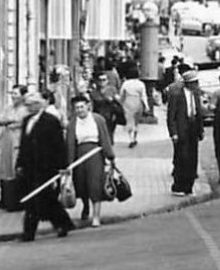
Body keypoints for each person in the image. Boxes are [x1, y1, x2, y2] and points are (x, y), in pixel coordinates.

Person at [15, 90, 74, 241]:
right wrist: (19, 164)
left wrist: (62, 167)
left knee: (46, 199)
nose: (28, 108)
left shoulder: (50, 121)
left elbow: (59, 145)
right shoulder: (27, 120)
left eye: (30, 105)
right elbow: (23, 144)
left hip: (47, 167)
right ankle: (32, 231)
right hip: (30, 167)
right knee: (32, 200)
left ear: (38, 105)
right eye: (27, 105)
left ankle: (61, 224)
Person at [66, 93, 115, 227]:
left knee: (94, 184)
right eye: (77, 108)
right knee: (81, 184)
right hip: (80, 157)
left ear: (88, 107)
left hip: (95, 155)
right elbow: (70, 144)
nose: (80, 110)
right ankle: (85, 205)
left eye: (82, 107)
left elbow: (105, 139)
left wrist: (110, 156)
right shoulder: (72, 123)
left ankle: (96, 217)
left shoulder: (98, 120)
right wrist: (69, 164)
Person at [165, 68, 206, 195]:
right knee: (182, 157)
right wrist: (174, 133)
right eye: (195, 82)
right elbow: (171, 116)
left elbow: (198, 113)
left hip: (192, 128)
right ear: (189, 83)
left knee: (192, 157)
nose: (197, 85)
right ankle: (179, 186)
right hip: (181, 129)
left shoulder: (196, 94)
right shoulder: (177, 95)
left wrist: (201, 130)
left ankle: (189, 186)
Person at [0, 84, 28, 210]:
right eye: (12, 94)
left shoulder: (26, 109)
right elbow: (0, 120)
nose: (13, 97)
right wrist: (11, 121)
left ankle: (15, 202)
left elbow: (23, 122)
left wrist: (10, 122)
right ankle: (3, 199)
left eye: (16, 94)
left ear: (23, 96)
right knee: (3, 170)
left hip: (18, 143)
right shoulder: (8, 108)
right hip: (6, 142)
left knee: (15, 171)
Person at [119, 70, 148, 148]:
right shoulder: (141, 84)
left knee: (129, 121)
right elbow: (144, 96)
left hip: (128, 102)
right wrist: (146, 106)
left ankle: (131, 139)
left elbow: (121, 94)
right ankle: (135, 137)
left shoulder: (125, 83)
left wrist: (120, 103)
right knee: (136, 122)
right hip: (138, 102)